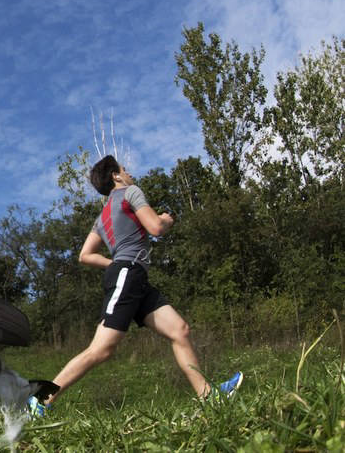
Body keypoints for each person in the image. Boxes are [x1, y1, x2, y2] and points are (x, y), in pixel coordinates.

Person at [27, 155, 242, 417]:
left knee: (180, 330)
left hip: (133, 277)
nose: (128, 173)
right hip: (129, 274)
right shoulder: (130, 192)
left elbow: (85, 255)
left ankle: (207, 397)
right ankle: (41, 399)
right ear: (115, 176)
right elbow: (155, 228)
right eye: (124, 169)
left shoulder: (103, 215)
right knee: (102, 349)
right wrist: (166, 220)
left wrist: (116, 265)